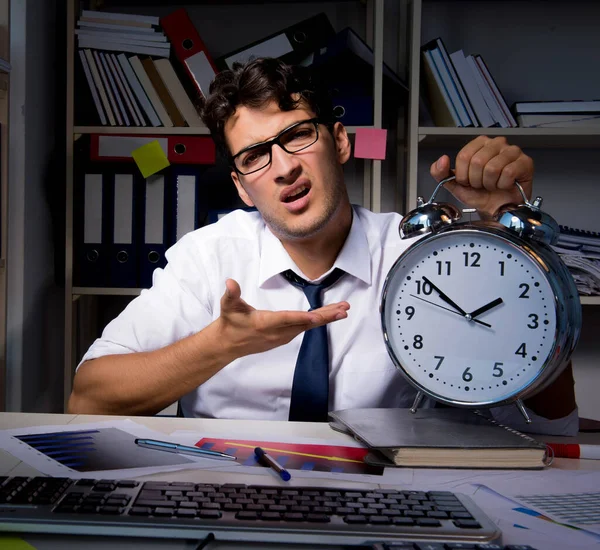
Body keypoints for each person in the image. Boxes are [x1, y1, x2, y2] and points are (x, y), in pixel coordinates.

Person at [68, 58, 577, 435]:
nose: (284, 166)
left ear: (339, 142)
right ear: (242, 186)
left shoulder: (423, 257)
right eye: (255, 156)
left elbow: (549, 426)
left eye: (297, 136)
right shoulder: (207, 259)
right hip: (227, 497)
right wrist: (221, 344)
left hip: (384, 501)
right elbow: (87, 400)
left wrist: (512, 245)